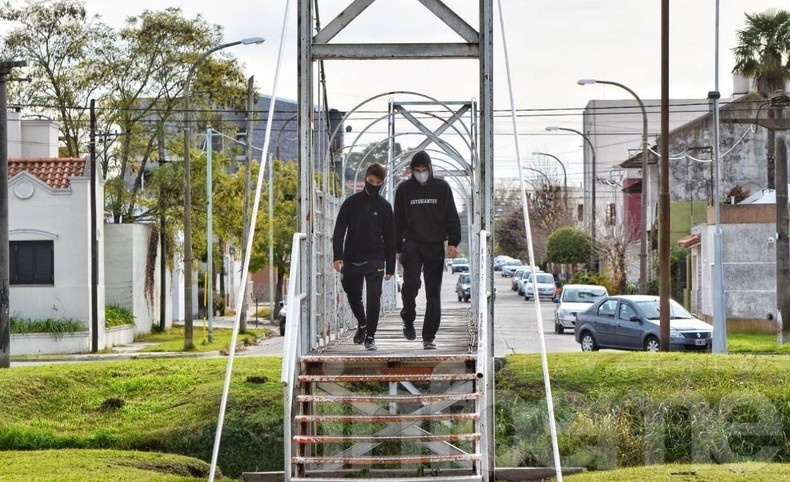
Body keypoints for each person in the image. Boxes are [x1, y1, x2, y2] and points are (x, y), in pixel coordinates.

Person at [394, 150, 461, 349]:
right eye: (417, 170)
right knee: (411, 284)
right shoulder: (404, 189)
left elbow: (451, 216)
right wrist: (397, 247)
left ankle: (429, 336)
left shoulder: (442, 188)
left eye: (424, 169)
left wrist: (453, 242)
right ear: (412, 170)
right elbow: (397, 220)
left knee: (433, 292)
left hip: (434, 244)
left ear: (430, 169)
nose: (421, 173)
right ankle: (408, 316)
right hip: (412, 244)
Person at [332, 163, 396, 351]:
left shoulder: (385, 207)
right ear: (365, 179)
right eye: (370, 181)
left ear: (382, 184)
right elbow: (339, 230)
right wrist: (337, 256)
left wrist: (390, 266)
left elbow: (390, 237)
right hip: (352, 257)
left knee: (374, 297)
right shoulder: (351, 203)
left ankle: (370, 337)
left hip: (376, 258)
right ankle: (362, 322)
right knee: (352, 294)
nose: (373, 185)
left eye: (377, 183)